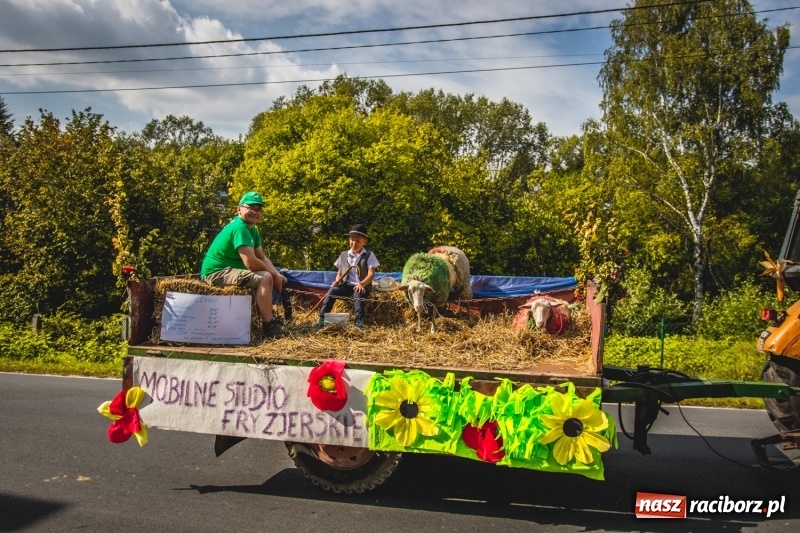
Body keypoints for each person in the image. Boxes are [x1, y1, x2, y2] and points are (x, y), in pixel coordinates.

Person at [200, 191, 287, 339]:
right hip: (216, 273)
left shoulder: (252, 230)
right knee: (265, 277)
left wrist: (277, 274)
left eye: (258, 209)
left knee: (270, 275)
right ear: (239, 209)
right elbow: (251, 263)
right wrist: (273, 275)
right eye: (251, 208)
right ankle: (269, 326)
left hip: (229, 270)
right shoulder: (240, 228)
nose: (255, 212)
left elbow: (262, 257)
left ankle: (268, 317)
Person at [316, 224, 379, 330]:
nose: (354, 243)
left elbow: (371, 274)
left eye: (358, 241)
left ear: (365, 242)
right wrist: (337, 281)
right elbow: (340, 273)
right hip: (346, 286)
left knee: (358, 294)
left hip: (361, 286)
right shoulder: (344, 255)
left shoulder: (369, 255)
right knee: (332, 291)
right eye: (352, 240)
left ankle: (358, 321)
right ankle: (322, 318)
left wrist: (362, 284)